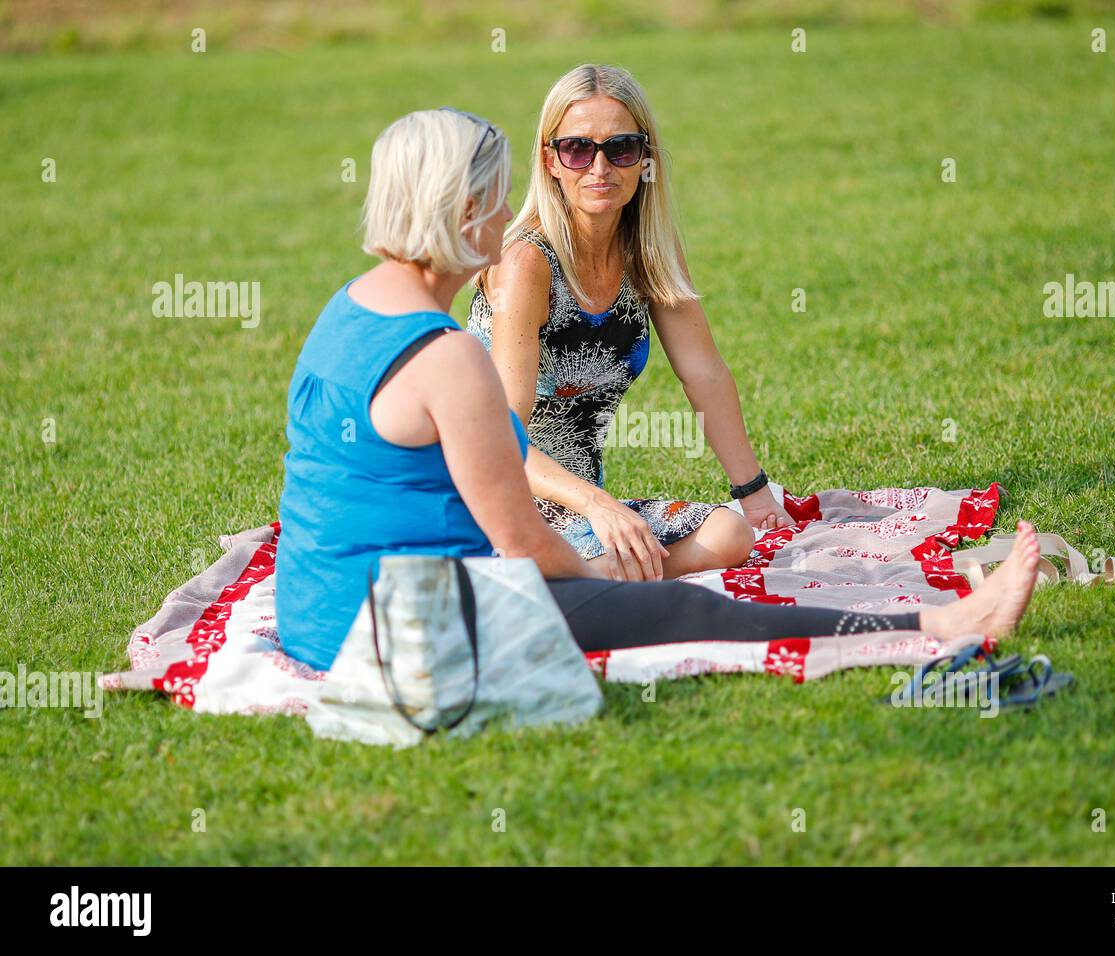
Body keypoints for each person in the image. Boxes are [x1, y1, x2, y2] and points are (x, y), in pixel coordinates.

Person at [275, 107, 1042, 673]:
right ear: (465, 211)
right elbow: (523, 544)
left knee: (646, 582)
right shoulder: (451, 359)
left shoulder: (347, 306)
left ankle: (934, 619)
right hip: (400, 631)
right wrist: (604, 578)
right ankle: (936, 622)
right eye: (500, 199)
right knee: (679, 607)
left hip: (318, 616)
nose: (511, 216)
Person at [467, 64, 785, 582]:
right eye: (577, 149)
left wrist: (755, 494)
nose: (599, 168)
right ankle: (576, 577)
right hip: (494, 490)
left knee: (730, 535)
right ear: (550, 160)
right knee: (602, 555)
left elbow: (703, 372)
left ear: (645, 159)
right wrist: (598, 504)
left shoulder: (650, 251)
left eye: (620, 149)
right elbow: (502, 437)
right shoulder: (524, 262)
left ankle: (590, 578)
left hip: (584, 503)